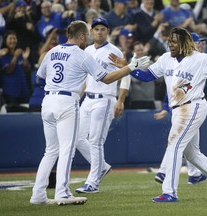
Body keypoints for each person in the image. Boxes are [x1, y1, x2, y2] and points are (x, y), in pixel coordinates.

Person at [110, 27, 207, 202]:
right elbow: (147, 77)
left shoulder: (200, 59)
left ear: (185, 42)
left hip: (193, 106)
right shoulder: (165, 58)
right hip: (178, 109)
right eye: (170, 41)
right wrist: (127, 67)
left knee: (174, 144)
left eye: (175, 41)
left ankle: (169, 191)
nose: (171, 44)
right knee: (192, 154)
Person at [30, 20, 150, 205]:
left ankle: (38, 194)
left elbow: (39, 78)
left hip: (48, 101)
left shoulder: (52, 51)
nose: (90, 36)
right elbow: (107, 78)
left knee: (50, 151)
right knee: (66, 150)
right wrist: (131, 67)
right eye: (87, 33)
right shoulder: (82, 54)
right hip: (67, 101)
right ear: (82, 35)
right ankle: (62, 192)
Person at [75, 17, 130, 194]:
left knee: (96, 141)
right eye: (96, 29)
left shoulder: (114, 51)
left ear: (107, 32)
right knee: (78, 138)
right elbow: (86, 78)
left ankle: (93, 182)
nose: (99, 32)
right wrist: (78, 97)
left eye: (103, 29)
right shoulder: (87, 50)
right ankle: (102, 167)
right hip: (88, 99)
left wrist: (121, 100)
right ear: (91, 32)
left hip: (105, 98)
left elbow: (126, 75)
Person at [154, 32, 207, 185]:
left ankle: (194, 174)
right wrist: (166, 107)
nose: (201, 45)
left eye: (202, 42)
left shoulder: (199, 60)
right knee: (177, 143)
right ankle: (164, 172)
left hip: (189, 106)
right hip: (182, 108)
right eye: (198, 42)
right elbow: (172, 89)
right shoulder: (179, 61)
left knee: (188, 146)